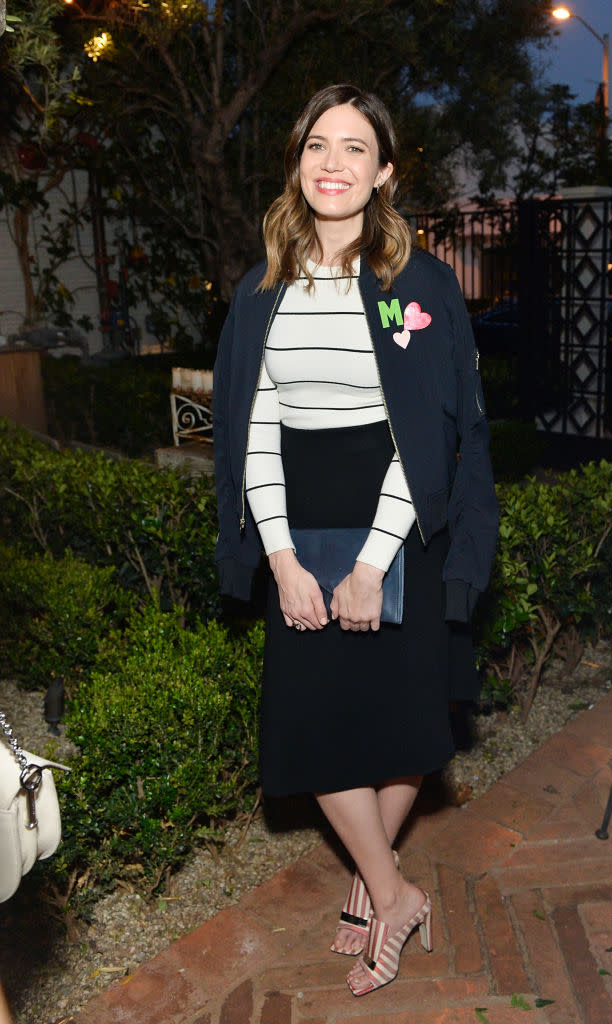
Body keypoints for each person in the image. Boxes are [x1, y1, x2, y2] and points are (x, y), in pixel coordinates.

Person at [212, 82, 498, 996]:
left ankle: (373, 889)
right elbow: (250, 428)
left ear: (383, 172)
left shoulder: (409, 285)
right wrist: (283, 556)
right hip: (299, 522)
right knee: (314, 729)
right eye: (316, 147)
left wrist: (373, 561)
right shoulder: (263, 286)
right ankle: (391, 887)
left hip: (397, 520)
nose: (332, 164)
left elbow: (422, 427)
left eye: (353, 149)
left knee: (405, 722)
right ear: (298, 162)